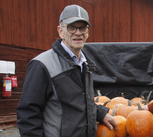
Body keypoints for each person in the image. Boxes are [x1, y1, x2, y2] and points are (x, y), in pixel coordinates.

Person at [16, 5, 117, 137]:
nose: (78, 32)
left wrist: (101, 113)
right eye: (71, 27)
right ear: (60, 31)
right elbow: (28, 114)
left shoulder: (85, 64)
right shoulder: (42, 65)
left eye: (82, 27)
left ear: (87, 32)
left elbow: (80, 101)